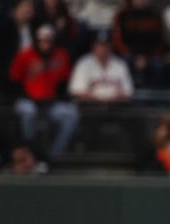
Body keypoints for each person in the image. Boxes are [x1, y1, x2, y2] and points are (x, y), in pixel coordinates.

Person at [9, 25, 79, 160]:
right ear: (36, 41)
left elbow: (64, 83)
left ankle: (55, 155)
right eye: (42, 41)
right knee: (29, 113)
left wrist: (58, 97)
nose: (45, 45)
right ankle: (29, 152)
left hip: (51, 103)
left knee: (72, 114)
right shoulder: (25, 55)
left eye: (48, 41)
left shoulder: (61, 55)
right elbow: (14, 80)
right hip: (28, 100)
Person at [69, 33, 133, 102]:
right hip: (89, 107)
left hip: (116, 108)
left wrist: (116, 97)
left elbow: (128, 92)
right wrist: (99, 99)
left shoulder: (120, 64)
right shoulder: (83, 64)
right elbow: (77, 92)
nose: (103, 49)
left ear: (111, 47)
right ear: (93, 47)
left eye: (106, 45)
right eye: (100, 45)